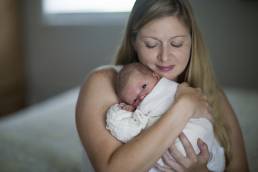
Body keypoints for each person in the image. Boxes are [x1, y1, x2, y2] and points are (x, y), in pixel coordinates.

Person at [76, 0, 249, 171]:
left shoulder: (211, 93)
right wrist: (185, 106)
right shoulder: (105, 81)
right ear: (134, 41)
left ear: (192, 41)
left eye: (176, 43)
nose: (165, 57)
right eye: (151, 44)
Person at [106, 62, 225, 171]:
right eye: (135, 100)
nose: (142, 96)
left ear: (155, 77)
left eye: (143, 87)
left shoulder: (169, 89)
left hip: (198, 138)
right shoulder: (104, 79)